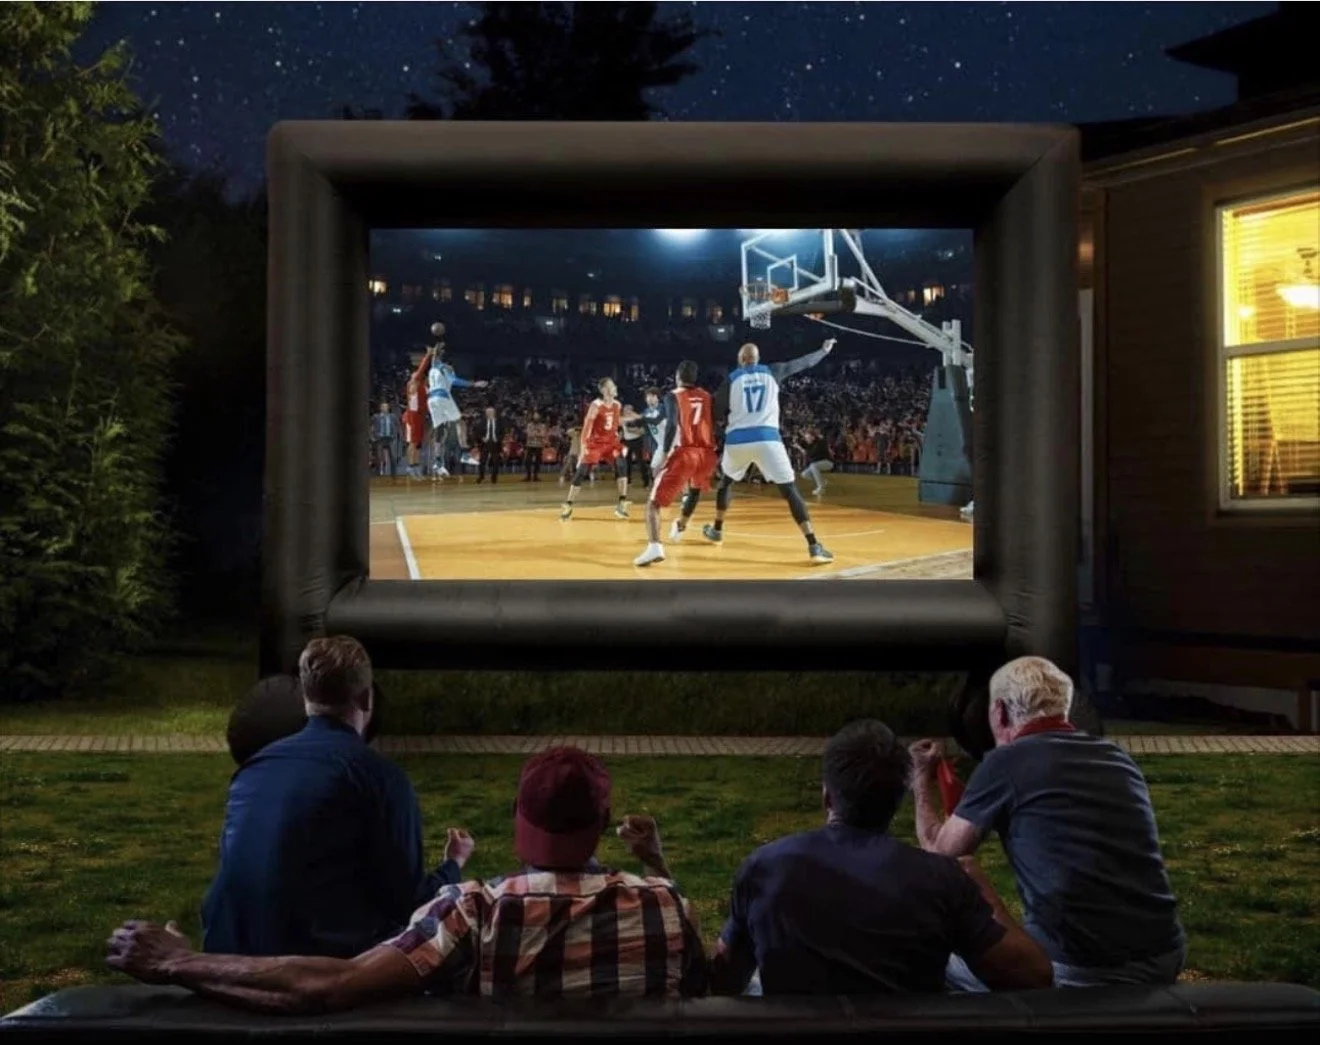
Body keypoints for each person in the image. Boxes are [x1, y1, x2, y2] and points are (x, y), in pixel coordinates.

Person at [108, 747, 708, 1010]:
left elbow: (327, 985)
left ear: (518, 818)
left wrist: (175, 962)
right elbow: (703, 976)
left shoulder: (474, 910)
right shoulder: (665, 906)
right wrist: (655, 863)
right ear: (603, 824)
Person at [707, 720, 1051, 997]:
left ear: (827, 797)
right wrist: (982, 887)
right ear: (896, 801)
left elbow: (724, 981)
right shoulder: (940, 880)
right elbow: (1033, 977)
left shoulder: (765, 867)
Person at [909, 656, 1186, 990]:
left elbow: (941, 854)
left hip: (1081, 968)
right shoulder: (1116, 757)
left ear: (999, 712)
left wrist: (921, 776)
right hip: (1164, 954)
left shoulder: (1006, 761)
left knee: (933, 956)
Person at [199, 636, 473, 959]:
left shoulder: (255, 767)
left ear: (305, 697)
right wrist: (453, 863)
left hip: (226, 949)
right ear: (367, 699)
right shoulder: (381, 779)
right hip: (312, 964)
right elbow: (409, 903)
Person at [706, 339, 837, 564]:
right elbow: (803, 363)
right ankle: (814, 545)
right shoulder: (773, 371)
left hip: (738, 440)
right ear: (757, 359)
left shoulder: (730, 379)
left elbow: (716, 412)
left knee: (726, 482)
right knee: (789, 491)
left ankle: (717, 529)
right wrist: (823, 351)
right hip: (768, 439)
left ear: (741, 360)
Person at [634, 361, 715, 568]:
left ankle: (654, 547)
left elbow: (671, 425)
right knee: (694, 493)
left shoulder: (673, 396)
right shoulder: (706, 396)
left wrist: (663, 453)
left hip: (685, 451)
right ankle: (679, 527)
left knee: (653, 504)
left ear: (678, 376)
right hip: (705, 454)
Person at [560, 377, 632, 521]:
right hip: (596, 443)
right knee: (582, 472)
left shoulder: (617, 405)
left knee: (621, 465)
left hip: (611, 443)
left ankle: (621, 504)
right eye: (612, 385)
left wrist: (634, 420)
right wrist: (583, 448)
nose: (615, 387)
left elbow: (616, 422)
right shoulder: (596, 405)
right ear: (605, 390)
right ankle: (568, 504)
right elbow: (587, 427)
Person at [425, 322, 488, 479]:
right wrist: (475, 384)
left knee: (440, 431)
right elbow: (457, 380)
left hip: (431, 399)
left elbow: (435, 358)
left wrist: (437, 346)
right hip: (441, 397)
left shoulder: (434, 367)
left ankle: (437, 462)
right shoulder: (445, 369)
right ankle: (465, 454)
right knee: (461, 423)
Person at [402, 349, 432, 479]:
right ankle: (410, 466)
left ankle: (416, 466)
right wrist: (428, 355)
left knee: (418, 443)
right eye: (414, 375)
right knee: (412, 443)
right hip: (412, 415)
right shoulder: (411, 384)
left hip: (420, 416)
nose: (416, 375)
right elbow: (421, 370)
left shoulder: (424, 388)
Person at [797, 427, 833, 497]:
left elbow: (811, 454)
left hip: (827, 462)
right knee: (804, 474)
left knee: (813, 466)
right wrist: (802, 437)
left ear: (813, 437)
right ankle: (822, 481)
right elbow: (801, 443)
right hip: (816, 464)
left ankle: (820, 488)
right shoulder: (810, 444)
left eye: (808, 437)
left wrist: (802, 450)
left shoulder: (819, 442)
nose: (806, 439)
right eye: (806, 438)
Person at [475, 405, 506, 484]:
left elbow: (503, 432)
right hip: (485, 443)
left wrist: (498, 439)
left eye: (491, 411)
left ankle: (494, 477)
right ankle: (481, 476)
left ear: (494, 412)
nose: (490, 413)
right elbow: (477, 432)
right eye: (488, 412)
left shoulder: (499, 421)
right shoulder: (482, 421)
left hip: (495, 443)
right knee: (482, 461)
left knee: (496, 461)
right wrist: (482, 438)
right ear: (486, 413)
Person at [371, 401, 397, 476]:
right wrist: (372, 437)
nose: (385, 408)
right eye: (383, 407)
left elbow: (397, 426)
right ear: (380, 408)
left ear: (388, 408)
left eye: (386, 407)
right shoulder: (376, 417)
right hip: (380, 439)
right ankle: (378, 474)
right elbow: (370, 427)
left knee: (393, 457)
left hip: (390, 438)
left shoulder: (392, 416)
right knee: (378, 458)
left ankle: (393, 475)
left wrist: (396, 435)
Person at [523, 412, 547, 482]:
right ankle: (528, 475)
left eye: (537, 416)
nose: (536, 418)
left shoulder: (542, 425)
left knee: (538, 461)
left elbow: (543, 434)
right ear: (533, 417)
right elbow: (529, 434)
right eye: (535, 416)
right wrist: (538, 433)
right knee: (527, 461)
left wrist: (535, 433)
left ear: (539, 418)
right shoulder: (529, 425)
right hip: (530, 445)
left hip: (539, 445)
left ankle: (536, 476)